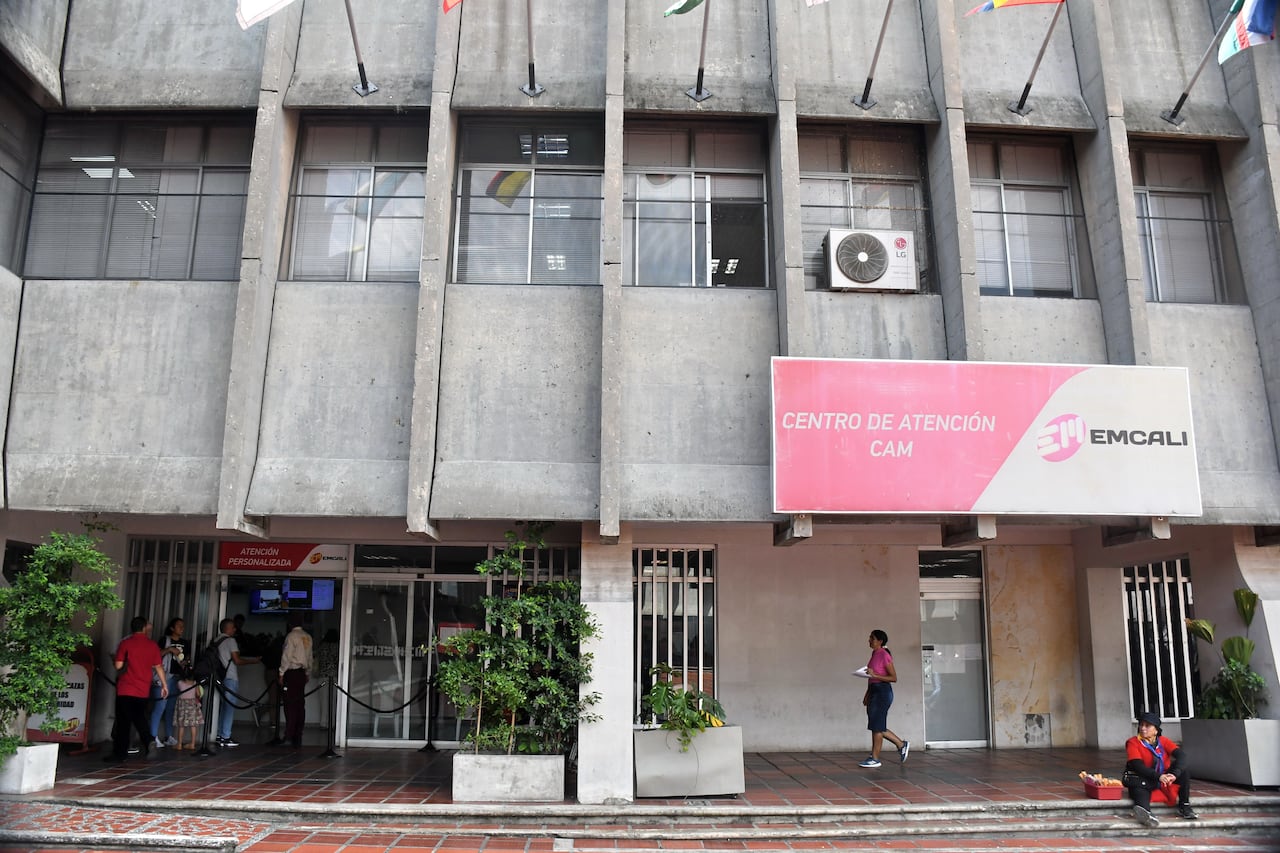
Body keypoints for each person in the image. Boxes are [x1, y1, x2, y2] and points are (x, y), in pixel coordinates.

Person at [106, 616, 167, 762]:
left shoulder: (125, 643)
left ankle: (120, 753)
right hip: (143, 688)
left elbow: (119, 666)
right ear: (144, 628)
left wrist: (116, 659)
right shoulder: (152, 645)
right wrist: (164, 685)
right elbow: (158, 666)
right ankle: (148, 740)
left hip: (126, 687)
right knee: (140, 717)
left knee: (123, 722)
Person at [1124, 710, 1198, 826]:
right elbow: (1137, 766)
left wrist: (1174, 774)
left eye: (1147, 726)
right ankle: (1146, 814)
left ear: (1156, 730)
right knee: (1139, 789)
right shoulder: (1133, 742)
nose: (1143, 728)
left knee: (1184, 771)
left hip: (1162, 778)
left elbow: (1181, 756)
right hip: (1143, 778)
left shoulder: (1163, 741)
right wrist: (1159, 776)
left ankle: (1185, 806)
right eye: (1141, 725)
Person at [859, 629, 909, 768]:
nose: (869, 640)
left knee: (877, 725)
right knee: (877, 724)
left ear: (880, 641)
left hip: (882, 692)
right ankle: (900, 744)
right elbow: (871, 677)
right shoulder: (874, 654)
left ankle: (875, 758)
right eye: (869, 637)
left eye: (872, 638)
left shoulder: (883, 654)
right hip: (875, 690)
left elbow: (893, 677)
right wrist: (867, 694)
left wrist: (875, 676)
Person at [214, 616, 261, 747]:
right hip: (230, 677)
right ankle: (226, 736)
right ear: (228, 628)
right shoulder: (230, 641)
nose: (235, 629)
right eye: (233, 627)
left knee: (223, 706)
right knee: (229, 707)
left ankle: (219, 734)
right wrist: (253, 661)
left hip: (219, 677)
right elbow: (237, 660)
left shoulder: (216, 640)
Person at [148, 617, 185, 749]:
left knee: (170, 708)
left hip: (176, 677)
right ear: (172, 628)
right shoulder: (165, 640)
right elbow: (155, 655)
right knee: (159, 707)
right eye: (179, 626)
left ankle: (168, 736)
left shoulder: (184, 642)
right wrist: (169, 649)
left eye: (183, 626)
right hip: (163, 677)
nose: (182, 628)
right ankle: (152, 737)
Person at [279, 610, 314, 747]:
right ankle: (298, 735)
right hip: (302, 674)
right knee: (300, 705)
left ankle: (288, 736)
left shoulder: (291, 636)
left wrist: (281, 673)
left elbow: (286, 657)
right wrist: (308, 673)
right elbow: (310, 657)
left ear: (290, 623)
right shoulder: (308, 637)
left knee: (290, 705)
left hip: (291, 673)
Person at [173, 673, 204, 750]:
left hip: (182, 705)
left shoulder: (179, 683)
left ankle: (179, 744)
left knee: (181, 725)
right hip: (192, 705)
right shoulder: (194, 683)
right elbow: (198, 694)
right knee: (193, 725)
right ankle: (192, 744)